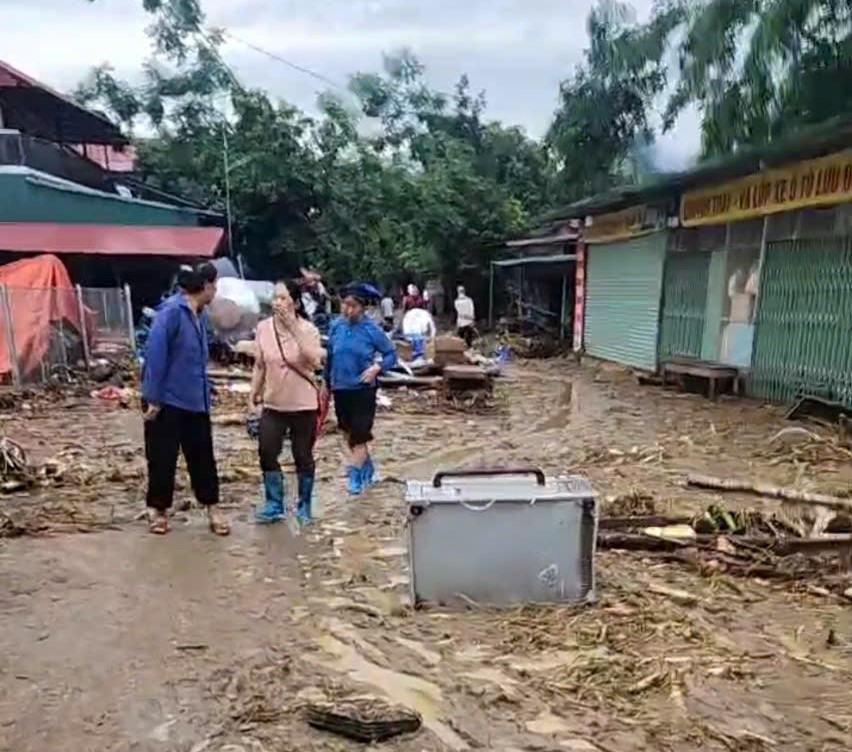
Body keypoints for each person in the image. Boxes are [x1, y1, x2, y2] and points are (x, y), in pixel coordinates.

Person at [141, 263, 230, 536]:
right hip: (167, 401)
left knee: (203, 457)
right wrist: (152, 398)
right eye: (215, 285)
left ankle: (212, 507)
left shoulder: (198, 315)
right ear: (206, 286)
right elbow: (155, 356)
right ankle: (157, 510)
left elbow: (193, 360)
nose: (215, 291)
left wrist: (208, 387)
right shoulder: (171, 313)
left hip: (195, 400)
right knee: (162, 458)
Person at [249, 280, 325, 525]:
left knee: (302, 455)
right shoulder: (263, 328)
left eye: (283, 298)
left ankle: (304, 506)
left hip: (303, 405)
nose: (278, 302)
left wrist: (293, 327)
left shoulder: (308, 329)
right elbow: (260, 365)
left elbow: (315, 361)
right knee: (267, 451)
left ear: (296, 302)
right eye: (275, 297)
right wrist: (253, 395)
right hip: (273, 404)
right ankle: (274, 504)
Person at [324, 283, 397, 496]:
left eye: (352, 306)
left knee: (359, 435)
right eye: (344, 305)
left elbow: (391, 354)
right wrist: (325, 382)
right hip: (340, 388)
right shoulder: (336, 326)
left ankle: (355, 476)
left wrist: (377, 368)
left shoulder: (372, 330)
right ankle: (367, 467)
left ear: (362, 307)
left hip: (363, 390)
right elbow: (330, 356)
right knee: (348, 433)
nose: (347, 310)